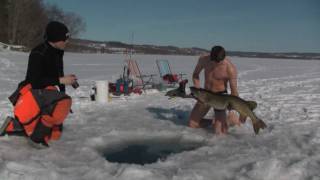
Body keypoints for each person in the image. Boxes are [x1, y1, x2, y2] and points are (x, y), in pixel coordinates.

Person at [0, 21, 78, 148]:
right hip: (32, 91)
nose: (67, 41)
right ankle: (37, 138)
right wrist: (61, 81)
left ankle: (14, 126)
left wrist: (64, 83)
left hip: (46, 90)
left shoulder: (57, 52)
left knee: (55, 135)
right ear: (55, 39)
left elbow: (54, 76)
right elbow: (34, 81)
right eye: (65, 38)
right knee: (64, 102)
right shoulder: (38, 53)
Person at [188, 45, 244, 135]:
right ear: (210, 56)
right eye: (214, 61)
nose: (216, 63)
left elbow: (234, 91)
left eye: (219, 61)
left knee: (220, 132)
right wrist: (198, 90)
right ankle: (215, 122)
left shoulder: (230, 69)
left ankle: (230, 119)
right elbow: (195, 74)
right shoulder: (203, 60)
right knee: (193, 124)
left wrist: (232, 108)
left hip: (220, 98)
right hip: (205, 95)